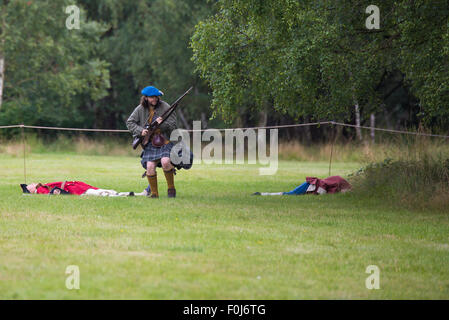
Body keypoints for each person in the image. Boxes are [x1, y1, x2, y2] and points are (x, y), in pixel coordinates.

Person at [126, 85, 178, 198]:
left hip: (165, 141)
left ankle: (171, 190)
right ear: (145, 98)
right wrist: (141, 131)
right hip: (150, 142)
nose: (154, 99)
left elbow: (173, 125)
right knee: (149, 167)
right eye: (151, 97)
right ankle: (154, 194)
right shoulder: (140, 108)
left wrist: (161, 124)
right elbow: (130, 122)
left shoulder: (165, 107)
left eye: (156, 97)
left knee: (165, 162)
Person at [252, 176, 352, 196]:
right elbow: (322, 186)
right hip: (310, 185)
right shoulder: (338, 180)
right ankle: (263, 194)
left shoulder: (338, 187)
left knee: (291, 195)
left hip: (313, 188)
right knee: (290, 194)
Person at [20, 181, 138, 197]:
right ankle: (124, 195)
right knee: (102, 193)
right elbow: (53, 193)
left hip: (76, 185)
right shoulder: (40, 190)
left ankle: (133, 194)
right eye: (29, 185)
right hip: (76, 190)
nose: (31, 183)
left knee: (104, 190)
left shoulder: (42, 186)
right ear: (30, 190)